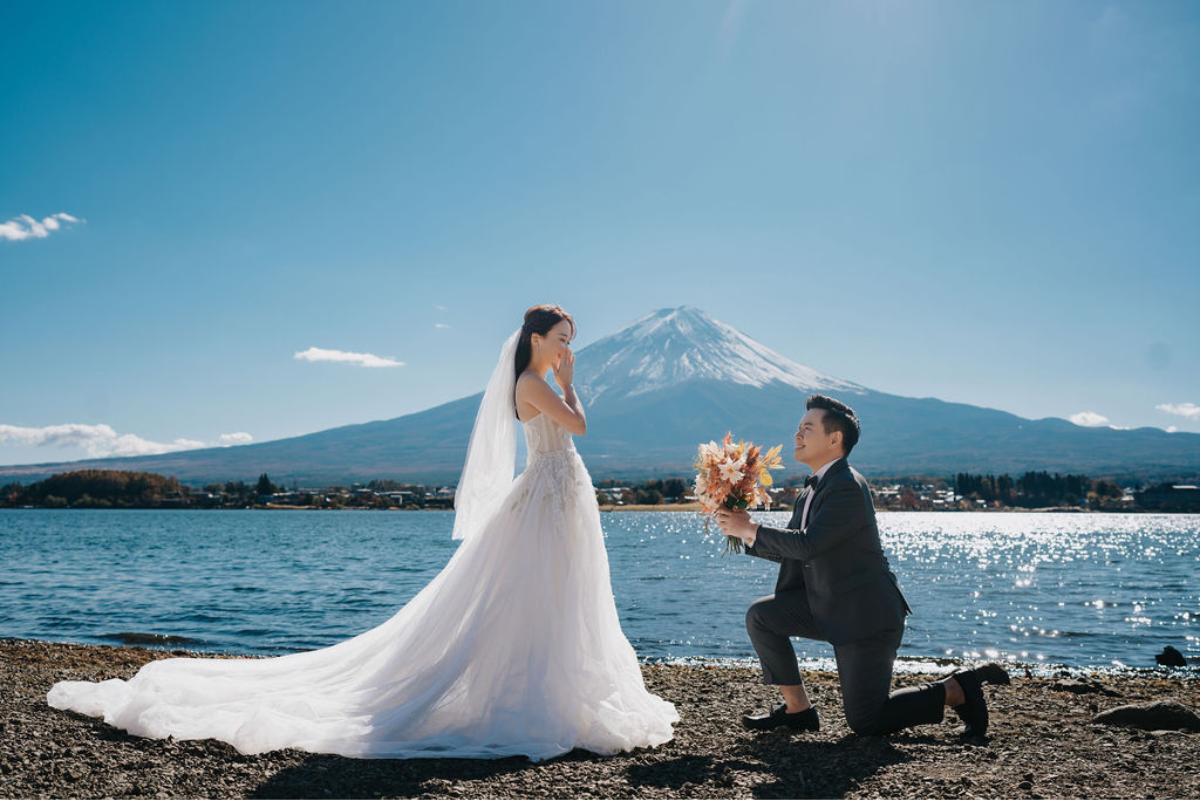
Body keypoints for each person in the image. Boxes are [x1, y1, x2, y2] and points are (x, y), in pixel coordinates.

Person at [48, 304, 678, 761]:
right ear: (537, 339)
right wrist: (571, 384)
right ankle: (530, 695)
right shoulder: (534, 382)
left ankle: (555, 686)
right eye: (563, 337)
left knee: (559, 594)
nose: (570, 346)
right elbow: (580, 429)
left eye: (572, 340)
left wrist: (568, 382)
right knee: (535, 591)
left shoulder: (537, 377)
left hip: (557, 496)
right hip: (547, 495)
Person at [717, 394, 1009, 737]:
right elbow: (794, 551)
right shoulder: (809, 491)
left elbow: (809, 545)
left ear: (834, 438)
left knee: (867, 722)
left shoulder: (847, 486)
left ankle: (957, 688)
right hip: (828, 606)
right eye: (798, 428)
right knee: (761, 616)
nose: (797, 435)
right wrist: (744, 532)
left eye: (807, 428)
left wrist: (750, 530)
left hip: (865, 617)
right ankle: (798, 711)